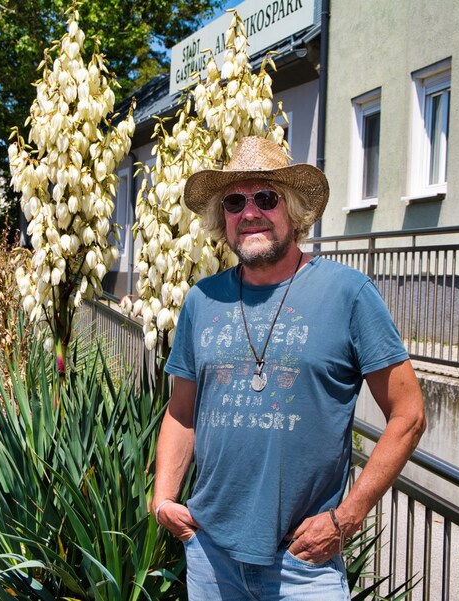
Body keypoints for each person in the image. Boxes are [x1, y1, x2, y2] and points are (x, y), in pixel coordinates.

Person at [152, 136, 426, 600]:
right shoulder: (203, 299)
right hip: (210, 556)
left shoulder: (348, 294)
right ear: (223, 218)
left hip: (303, 566)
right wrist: (163, 500)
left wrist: (349, 515)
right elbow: (182, 411)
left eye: (266, 198)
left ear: (293, 210)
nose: (250, 212)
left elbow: (409, 413)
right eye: (235, 201)